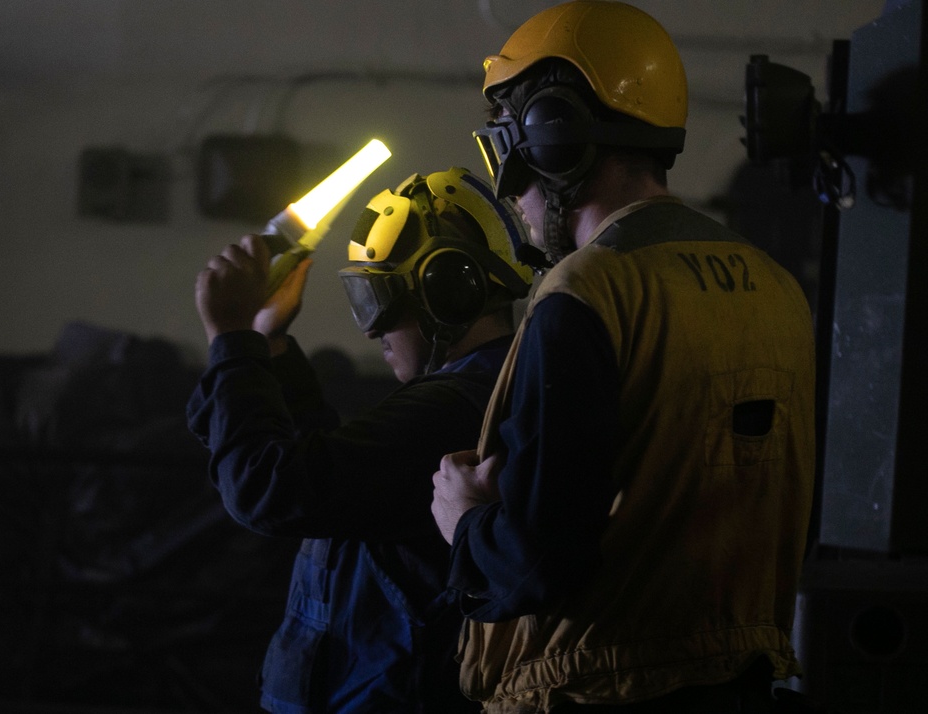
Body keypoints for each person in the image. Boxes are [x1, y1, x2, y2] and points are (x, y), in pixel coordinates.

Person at [430, 2, 817, 712]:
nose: (509, 190)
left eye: (503, 148)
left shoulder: (589, 291)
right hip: (738, 681)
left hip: (597, 689)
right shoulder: (773, 284)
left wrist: (466, 525)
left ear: (550, 138)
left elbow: (542, 561)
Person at [187, 166, 533, 713]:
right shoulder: (478, 389)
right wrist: (269, 345)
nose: (370, 331)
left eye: (377, 300)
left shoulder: (453, 406)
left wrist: (232, 341)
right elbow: (342, 478)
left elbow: (274, 490)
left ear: (446, 292)